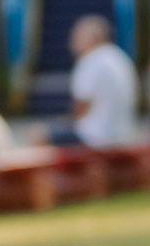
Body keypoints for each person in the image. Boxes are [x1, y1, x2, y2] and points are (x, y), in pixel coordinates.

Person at [60, 16, 145, 149]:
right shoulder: (120, 56)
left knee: (41, 135)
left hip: (96, 138)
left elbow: (80, 107)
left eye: (76, 36)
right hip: (124, 134)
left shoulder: (89, 60)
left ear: (92, 38)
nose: (71, 42)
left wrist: (65, 123)